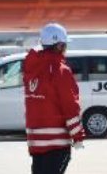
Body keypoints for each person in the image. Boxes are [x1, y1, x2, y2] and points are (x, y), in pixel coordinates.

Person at [24, 22, 84, 174]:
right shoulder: (61, 70)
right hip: (56, 144)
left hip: (36, 143)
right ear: (58, 46)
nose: (65, 49)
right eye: (64, 45)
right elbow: (70, 106)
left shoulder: (32, 68)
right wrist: (77, 136)